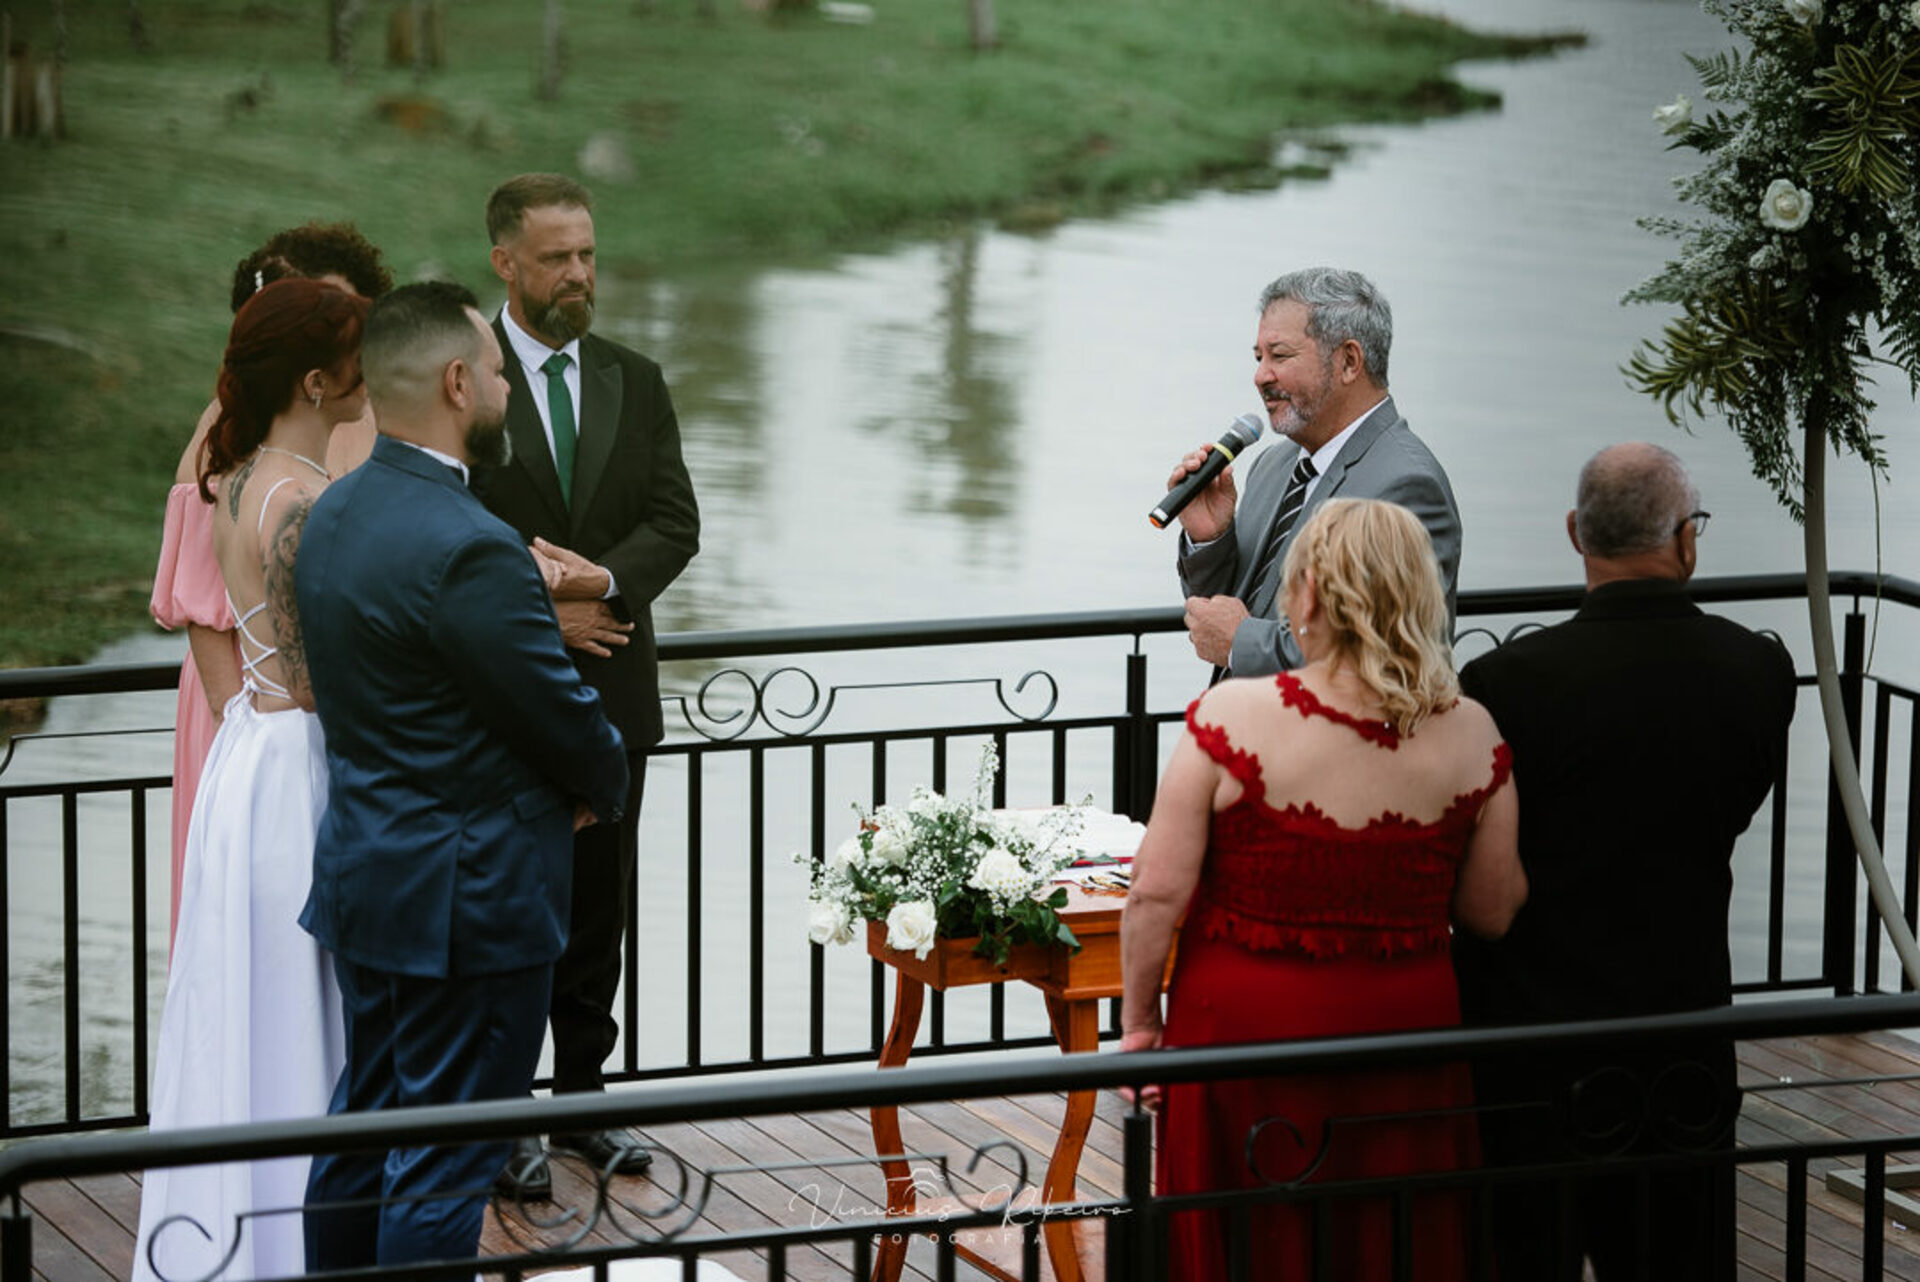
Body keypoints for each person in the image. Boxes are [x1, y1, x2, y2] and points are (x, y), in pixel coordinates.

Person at [296, 281, 629, 1268]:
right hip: (468, 900)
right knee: (446, 1160)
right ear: (455, 382)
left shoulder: (337, 509)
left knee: (363, 1127)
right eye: (494, 371)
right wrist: (602, 781)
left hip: (368, 871)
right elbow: (558, 713)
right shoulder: (475, 546)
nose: (506, 389)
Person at [1121, 498, 1525, 1281]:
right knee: (1386, 1239)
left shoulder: (1231, 715)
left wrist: (1140, 1029)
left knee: (1250, 1240)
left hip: (1243, 1039)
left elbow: (1155, 895)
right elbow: (1492, 910)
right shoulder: (1473, 731)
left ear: (1305, 594)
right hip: (1403, 1040)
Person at [1452, 443, 1796, 1282]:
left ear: (1577, 534)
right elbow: (1733, 808)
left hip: (1533, 1049)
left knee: (1525, 1256)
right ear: (1686, 540)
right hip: (1682, 1036)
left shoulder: (1504, 683)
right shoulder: (1758, 671)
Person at [133, 278, 371, 1282]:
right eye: (357, 352)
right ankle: (297, 1239)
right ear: (317, 380)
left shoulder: (235, 482)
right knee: (299, 990)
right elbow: (321, 678)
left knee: (249, 990)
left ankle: (238, 1232)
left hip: (248, 752)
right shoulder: (304, 503)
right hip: (299, 763)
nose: (370, 369)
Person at [474, 172, 700, 1191]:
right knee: (506, 907)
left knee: (598, 908)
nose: (578, 273)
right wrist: (537, 602)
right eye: (556, 256)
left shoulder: (634, 378)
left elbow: (674, 520)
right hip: (501, 693)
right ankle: (500, 1118)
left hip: (613, 689)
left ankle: (581, 1104)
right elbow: (450, 522)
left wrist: (598, 583)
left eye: (588, 254)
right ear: (505, 262)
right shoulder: (466, 380)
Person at [151, 223, 392, 951]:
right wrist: (248, 737)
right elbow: (203, 608)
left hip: (316, 704)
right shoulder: (229, 444)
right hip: (251, 699)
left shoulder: (370, 417)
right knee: (258, 905)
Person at [1170, 268, 1461, 678]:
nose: (1260, 376)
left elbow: (1381, 656)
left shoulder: (1407, 484)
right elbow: (1224, 617)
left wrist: (1242, 643)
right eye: (1258, 358)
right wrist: (1211, 538)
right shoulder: (1272, 466)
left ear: (1348, 362)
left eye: (1279, 355)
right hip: (1242, 716)